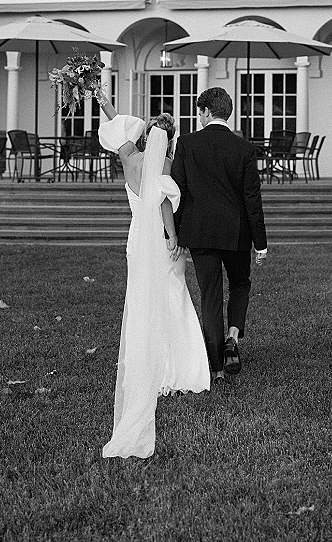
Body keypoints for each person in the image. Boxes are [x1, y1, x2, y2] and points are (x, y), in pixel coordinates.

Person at [96, 88, 210, 459]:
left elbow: (116, 128)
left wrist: (103, 101)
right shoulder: (166, 165)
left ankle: (149, 361)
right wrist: (175, 237)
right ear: (172, 139)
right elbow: (163, 202)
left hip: (135, 239)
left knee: (144, 298)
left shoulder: (129, 157)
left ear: (144, 136)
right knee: (173, 296)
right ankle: (181, 370)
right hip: (160, 240)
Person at [171, 87, 267, 384]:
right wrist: (260, 244)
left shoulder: (186, 144)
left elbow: (178, 192)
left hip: (199, 233)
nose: (198, 116)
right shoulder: (245, 149)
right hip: (236, 233)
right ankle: (234, 338)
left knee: (210, 296)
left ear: (206, 111)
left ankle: (215, 367)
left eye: (199, 111)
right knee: (240, 285)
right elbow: (252, 199)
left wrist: (174, 234)